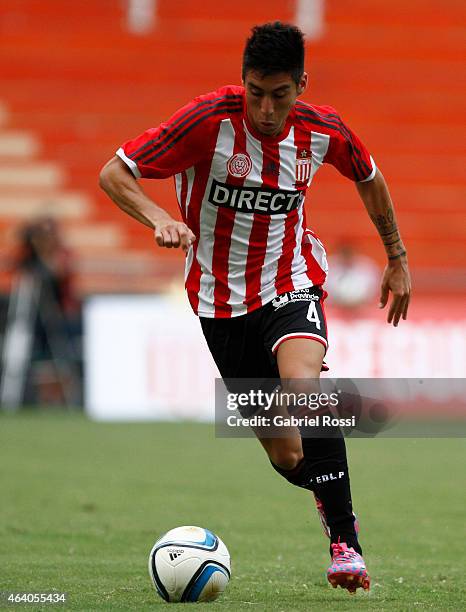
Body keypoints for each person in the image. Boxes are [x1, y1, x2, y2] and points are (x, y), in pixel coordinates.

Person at [99, 22, 411, 594]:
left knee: (306, 391)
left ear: (301, 86)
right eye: (255, 92)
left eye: (280, 94)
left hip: (291, 281)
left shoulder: (323, 130)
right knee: (289, 451)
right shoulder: (206, 122)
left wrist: (396, 256)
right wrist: (160, 218)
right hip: (220, 306)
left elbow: (369, 177)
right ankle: (329, 493)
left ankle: (346, 545)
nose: (266, 109)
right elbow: (114, 172)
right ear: (242, 82)